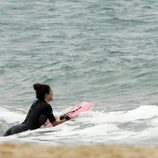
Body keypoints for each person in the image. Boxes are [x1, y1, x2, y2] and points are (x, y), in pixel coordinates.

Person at [3, 83, 70, 136]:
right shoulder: (47, 106)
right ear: (47, 94)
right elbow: (55, 124)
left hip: (15, 128)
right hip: (23, 130)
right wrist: (66, 119)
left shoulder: (35, 102)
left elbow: (37, 117)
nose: (52, 93)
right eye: (51, 91)